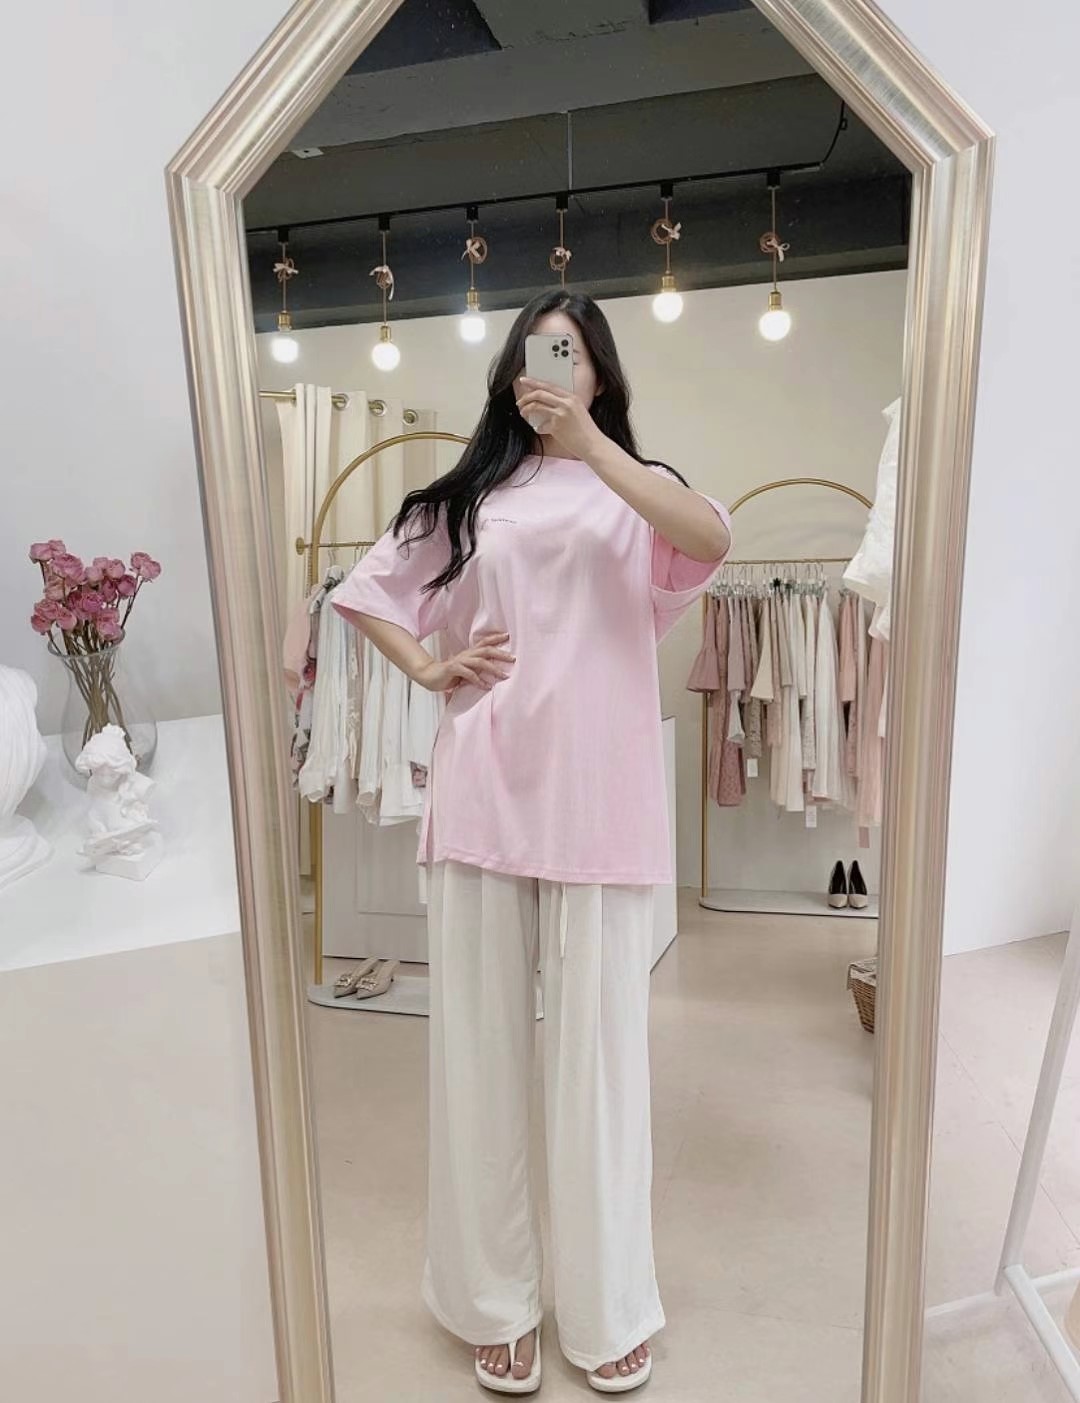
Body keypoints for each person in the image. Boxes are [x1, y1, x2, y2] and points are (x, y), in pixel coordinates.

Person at [332, 289, 731, 1393]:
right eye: (534, 348)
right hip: (485, 790)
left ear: (599, 370)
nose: (550, 364)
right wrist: (428, 665)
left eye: (571, 350)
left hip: (601, 803)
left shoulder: (637, 487)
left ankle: (607, 1308)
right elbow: (367, 591)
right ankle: (490, 1299)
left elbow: (713, 539)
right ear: (510, 370)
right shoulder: (469, 497)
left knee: (601, 1068)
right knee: (479, 1057)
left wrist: (590, 442)